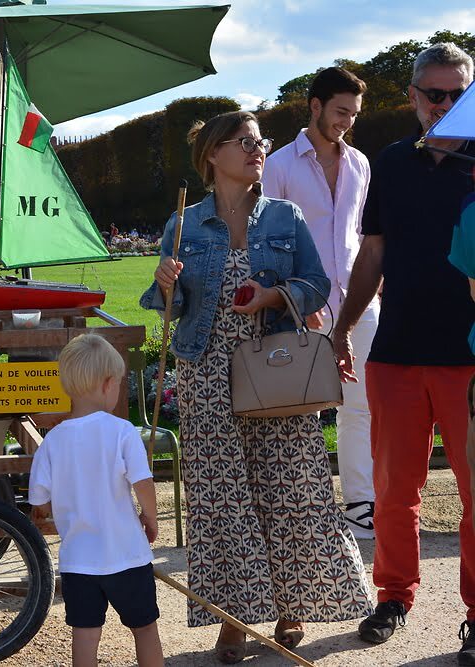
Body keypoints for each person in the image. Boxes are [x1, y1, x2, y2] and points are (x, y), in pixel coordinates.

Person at [141, 110, 372, 663]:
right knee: (222, 502)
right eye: (243, 141)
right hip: (206, 371)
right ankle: (233, 619)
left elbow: (317, 285)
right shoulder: (184, 225)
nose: (256, 149)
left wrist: (272, 297)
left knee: (291, 490)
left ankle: (291, 605)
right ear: (212, 155)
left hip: (274, 365)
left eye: (259, 141)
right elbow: (166, 308)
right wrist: (162, 283)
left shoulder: (285, 218)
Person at [331, 42, 475, 662]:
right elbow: (374, 253)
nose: (446, 105)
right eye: (435, 94)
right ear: (413, 97)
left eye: (459, 94)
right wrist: (342, 329)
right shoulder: (389, 162)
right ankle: (393, 595)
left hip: (469, 354)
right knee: (393, 488)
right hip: (397, 350)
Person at [261, 66, 378, 540]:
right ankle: (304, 508)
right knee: (301, 408)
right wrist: (297, 297)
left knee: (362, 405)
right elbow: (269, 239)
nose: (347, 121)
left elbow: (363, 235)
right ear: (315, 105)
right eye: (340, 111)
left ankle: (359, 505)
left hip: (359, 302)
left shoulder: (361, 164)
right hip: (301, 302)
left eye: (353, 113)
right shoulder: (280, 165)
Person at [28, 333, 163, 667]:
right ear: (107, 384)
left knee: (85, 636)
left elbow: (39, 500)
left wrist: (45, 513)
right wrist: (151, 517)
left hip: (78, 562)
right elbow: (143, 482)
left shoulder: (52, 442)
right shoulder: (122, 431)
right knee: (145, 629)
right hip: (126, 556)